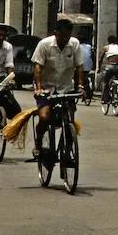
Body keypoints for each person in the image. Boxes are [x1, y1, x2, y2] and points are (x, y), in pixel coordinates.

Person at [31, 19, 84, 157]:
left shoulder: (74, 44)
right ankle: (38, 143)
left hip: (66, 86)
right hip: (47, 87)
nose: (66, 39)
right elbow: (38, 67)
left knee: (69, 119)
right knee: (44, 117)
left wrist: (80, 85)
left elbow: (79, 66)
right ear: (56, 33)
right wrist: (39, 88)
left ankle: (68, 150)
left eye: (68, 36)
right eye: (63, 36)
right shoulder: (44, 45)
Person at [98, 35, 118, 104]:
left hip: (109, 67)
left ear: (108, 41)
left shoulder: (106, 47)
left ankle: (104, 99)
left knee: (106, 82)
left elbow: (100, 59)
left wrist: (98, 68)